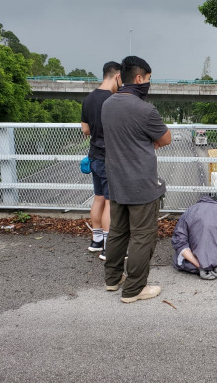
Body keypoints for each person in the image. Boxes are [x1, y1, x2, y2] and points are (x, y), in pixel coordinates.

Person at [101, 56, 171, 303]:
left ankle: (113, 279)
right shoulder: (145, 109)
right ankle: (134, 289)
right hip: (141, 183)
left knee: (119, 231)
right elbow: (165, 139)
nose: (148, 84)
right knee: (143, 235)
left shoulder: (108, 104)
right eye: (149, 80)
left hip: (116, 179)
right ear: (139, 78)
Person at [81, 61, 121, 261]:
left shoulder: (88, 99)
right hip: (109, 158)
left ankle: (96, 241)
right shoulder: (113, 100)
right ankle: (108, 247)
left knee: (98, 198)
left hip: (94, 155)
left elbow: (85, 130)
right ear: (117, 76)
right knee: (110, 202)